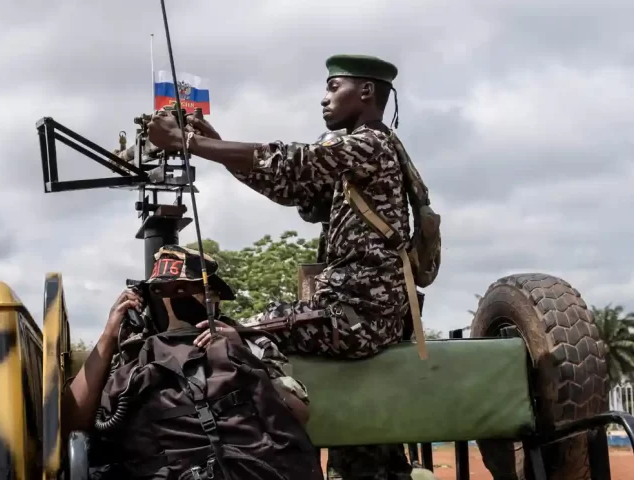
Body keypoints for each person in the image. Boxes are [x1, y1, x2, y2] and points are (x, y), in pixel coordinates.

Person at [147, 54, 418, 479]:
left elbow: (291, 159)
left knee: (232, 336)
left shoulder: (369, 144)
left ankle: (271, 460)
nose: (324, 99)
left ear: (365, 92)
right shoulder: (361, 157)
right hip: (365, 313)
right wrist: (215, 142)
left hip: (357, 317)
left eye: (333, 88)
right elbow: (287, 184)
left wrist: (189, 143)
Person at [62, 245, 320, 479]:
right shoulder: (133, 354)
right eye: (160, 291)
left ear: (213, 295)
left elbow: (298, 415)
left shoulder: (250, 343)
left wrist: (242, 355)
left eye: (185, 289)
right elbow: (74, 423)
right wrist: (110, 334)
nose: (172, 300)